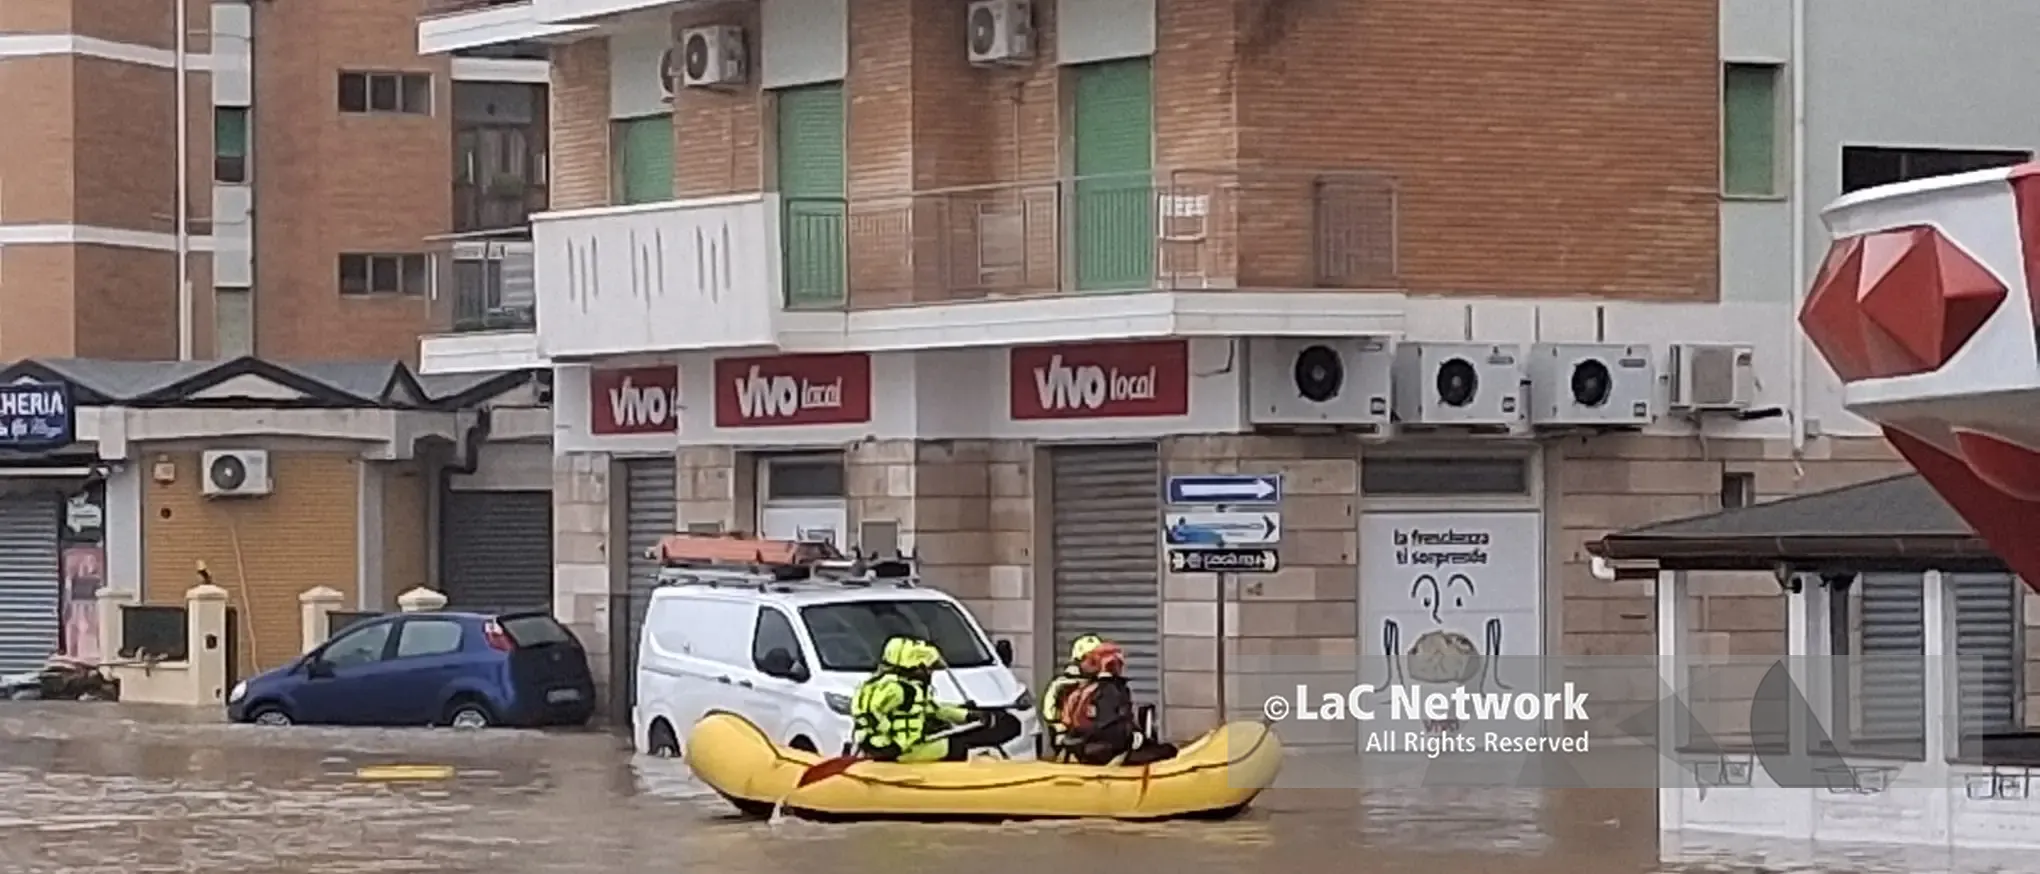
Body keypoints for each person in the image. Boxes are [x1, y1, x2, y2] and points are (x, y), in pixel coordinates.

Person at [851, 636, 1022, 762]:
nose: (931, 673)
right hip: (905, 752)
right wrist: (892, 745)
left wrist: (969, 715)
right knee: (959, 744)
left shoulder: (875, 685)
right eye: (929, 669)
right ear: (917, 667)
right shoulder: (903, 690)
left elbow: (934, 709)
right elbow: (878, 714)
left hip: (878, 750)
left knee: (960, 735)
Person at [1057, 642, 1178, 766]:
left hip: (1083, 749)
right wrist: (1135, 737)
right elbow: (1113, 728)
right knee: (1167, 751)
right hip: (1105, 752)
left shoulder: (1084, 689)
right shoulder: (1112, 690)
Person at [1041, 633, 1104, 757]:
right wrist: (1058, 726)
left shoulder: (1104, 684)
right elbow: (1050, 711)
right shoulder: (1062, 685)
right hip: (1071, 737)